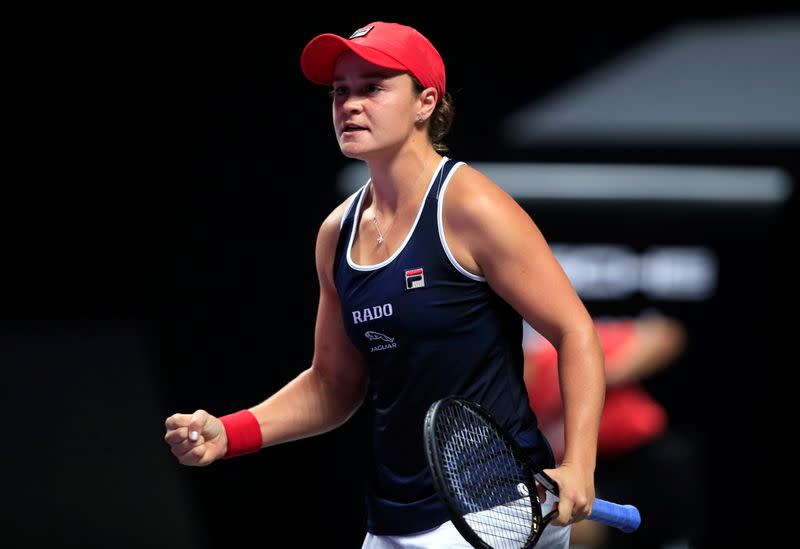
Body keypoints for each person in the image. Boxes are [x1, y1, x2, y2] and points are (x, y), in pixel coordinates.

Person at [163, 21, 606, 548]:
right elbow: (332, 383)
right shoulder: (337, 233)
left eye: (373, 87)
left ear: (425, 103)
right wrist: (229, 433)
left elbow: (575, 331)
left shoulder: (471, 207)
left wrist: (579, 466)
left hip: (498, 510)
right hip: (393, 521)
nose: (350, 104)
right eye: (340, 91)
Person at [525, 313, 699, 548]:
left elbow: (666, 334)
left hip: (647, 459)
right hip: (591, 474)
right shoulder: (510, 400)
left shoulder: (562, 357)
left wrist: (600, 377)